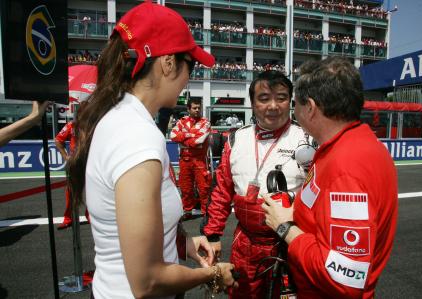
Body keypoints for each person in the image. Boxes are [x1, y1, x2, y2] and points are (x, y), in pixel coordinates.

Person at [66, 3, 237, 298]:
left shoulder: (119, 117)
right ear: (168, 63)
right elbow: (147, 281)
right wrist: (213, 273)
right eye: (190, 65)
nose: (189, 78)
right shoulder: (137, 136)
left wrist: (184, 243)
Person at [262, 57, 398, 298]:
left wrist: (286, 228)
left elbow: (343, 278)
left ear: (310, 108)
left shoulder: (346, 167)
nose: (294, 111)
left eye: (296, 104)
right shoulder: (349, 145)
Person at [201, 70, 310, 298]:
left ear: (289, 101)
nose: (273, 106)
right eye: (264, 98)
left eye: (281, 98)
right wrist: (212, 235)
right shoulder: (235, 138)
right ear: (252, 103)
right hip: (246, 244)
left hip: (291, 244)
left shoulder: (306, 138)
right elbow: (221, 189)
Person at [170, 97, 211, 218]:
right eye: (195, 108)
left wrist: (183, 139)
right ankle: (187, 211)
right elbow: (173, 135)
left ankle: (206, 213)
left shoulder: (205, 123)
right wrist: (191, 135)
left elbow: (199, 141)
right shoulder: (181, 121)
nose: (197, 110)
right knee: (185, 188)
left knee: (204, 188)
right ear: (189, 109)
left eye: (199, 108)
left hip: (200, 161)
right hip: (185, 161)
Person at [54, 108, 89, 230]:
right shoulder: (71, 125)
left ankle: (90, 216)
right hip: (74, 163)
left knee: (92, 190)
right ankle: (68, 218)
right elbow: (58, 140)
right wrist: (66, 157)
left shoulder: (93, 126)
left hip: (90, 162)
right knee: (71, 192)